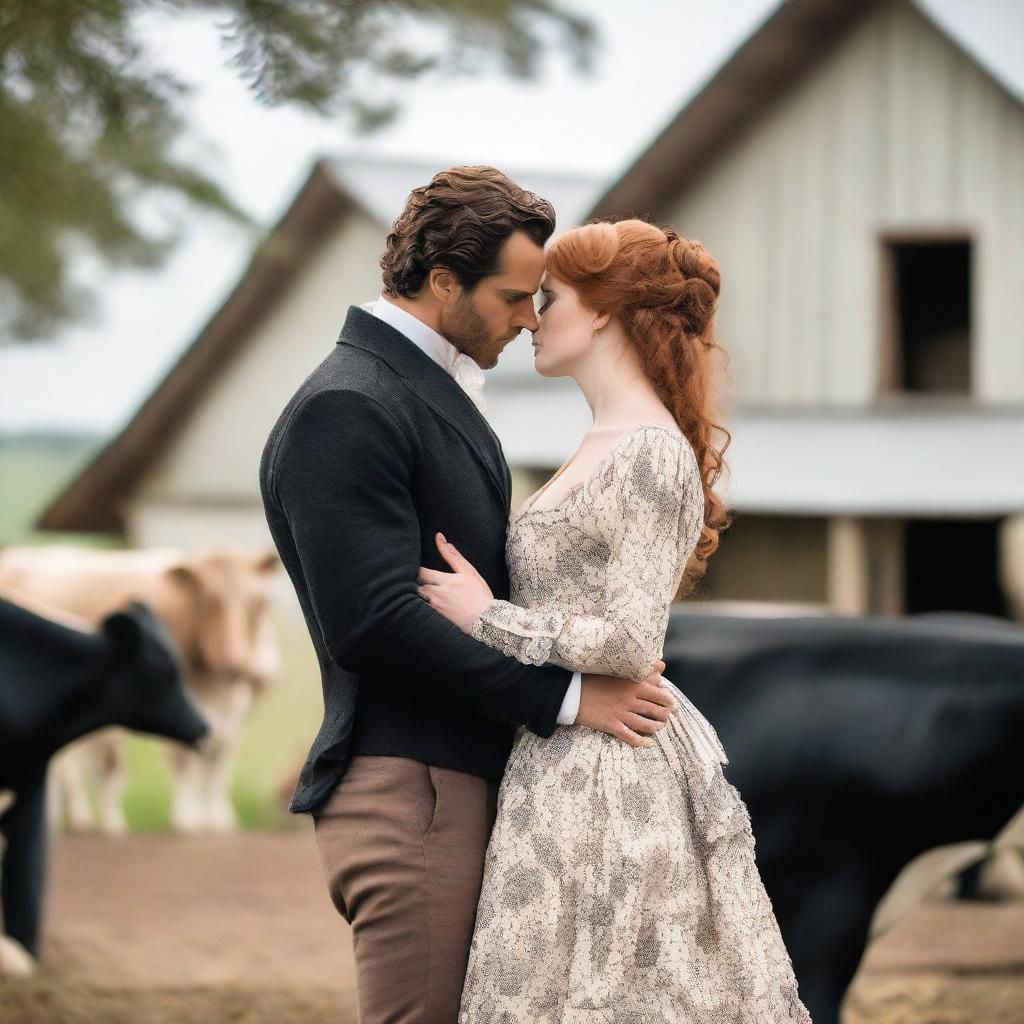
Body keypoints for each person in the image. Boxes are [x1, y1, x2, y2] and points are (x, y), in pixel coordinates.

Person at [257, 167, 676, 1023]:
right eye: (513, 297)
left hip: (451, 781)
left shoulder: (416, 390)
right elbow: (374, 623)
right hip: (411, 792)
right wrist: (563, 698)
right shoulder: (349, 405)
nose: (530, 319)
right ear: (443, 282)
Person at [418, 217, 814, 1021]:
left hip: (613, 769)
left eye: (550, 297)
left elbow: (633, 640)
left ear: (601, 311)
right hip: (561, 757)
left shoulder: (647, 451)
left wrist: (487, 616)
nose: (532, 315)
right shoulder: (598, 441)